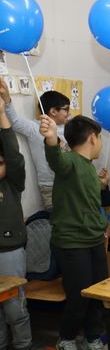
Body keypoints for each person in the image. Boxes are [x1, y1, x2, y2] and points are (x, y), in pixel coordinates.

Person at [40, 115, 108, 350]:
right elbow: (56, 160)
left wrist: (103, 185)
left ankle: (92, 337)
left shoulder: (88, 167)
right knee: (79, 295)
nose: (100, 142)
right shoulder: (69, 160)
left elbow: (87, 201)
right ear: (93, 138)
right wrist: (50, 139)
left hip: (94, 240)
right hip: (72, 243)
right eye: (99, 138)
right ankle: (66, 338)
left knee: (96, 292)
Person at [1, 78, 69, 210]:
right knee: (56, 222)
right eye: (66, 109)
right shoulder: (34, 128)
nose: (69, 112)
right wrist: (7, 98)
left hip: (69, 182)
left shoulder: (70, 128)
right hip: (49, 186)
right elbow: (14, 121)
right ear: (53, 111)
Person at [0, 91, 32, 350]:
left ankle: (23, 346)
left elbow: (13, 154)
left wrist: (2, 113)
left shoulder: (12, 182)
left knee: (14, 309)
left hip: (9, 250)